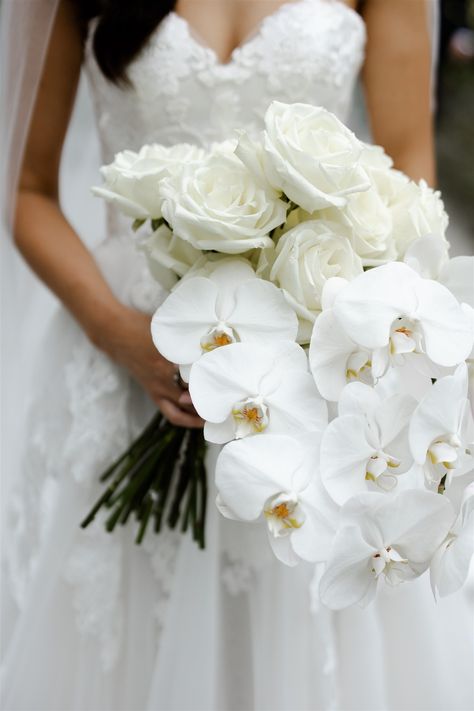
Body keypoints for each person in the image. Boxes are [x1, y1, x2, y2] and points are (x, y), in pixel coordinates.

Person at [1, 1, 472, 710]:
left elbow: (408, 170)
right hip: (126, 368)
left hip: (313, 382)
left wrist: (347, 317)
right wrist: (118, 331)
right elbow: (26, 187)